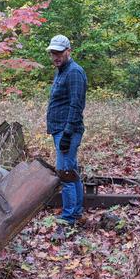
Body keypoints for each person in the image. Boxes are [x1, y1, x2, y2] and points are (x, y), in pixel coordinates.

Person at [46, 34, 87, 226]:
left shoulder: (74, 72)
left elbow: (76, 105)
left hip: (67, 130)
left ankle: (69, 217)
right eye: (53, 53)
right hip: (60, 129)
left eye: (59, 52)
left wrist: (67, 134)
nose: (55, 56)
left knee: (65, 173)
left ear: (68, 51)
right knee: (71, 170)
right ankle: (76, 211)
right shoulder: (61, 70)